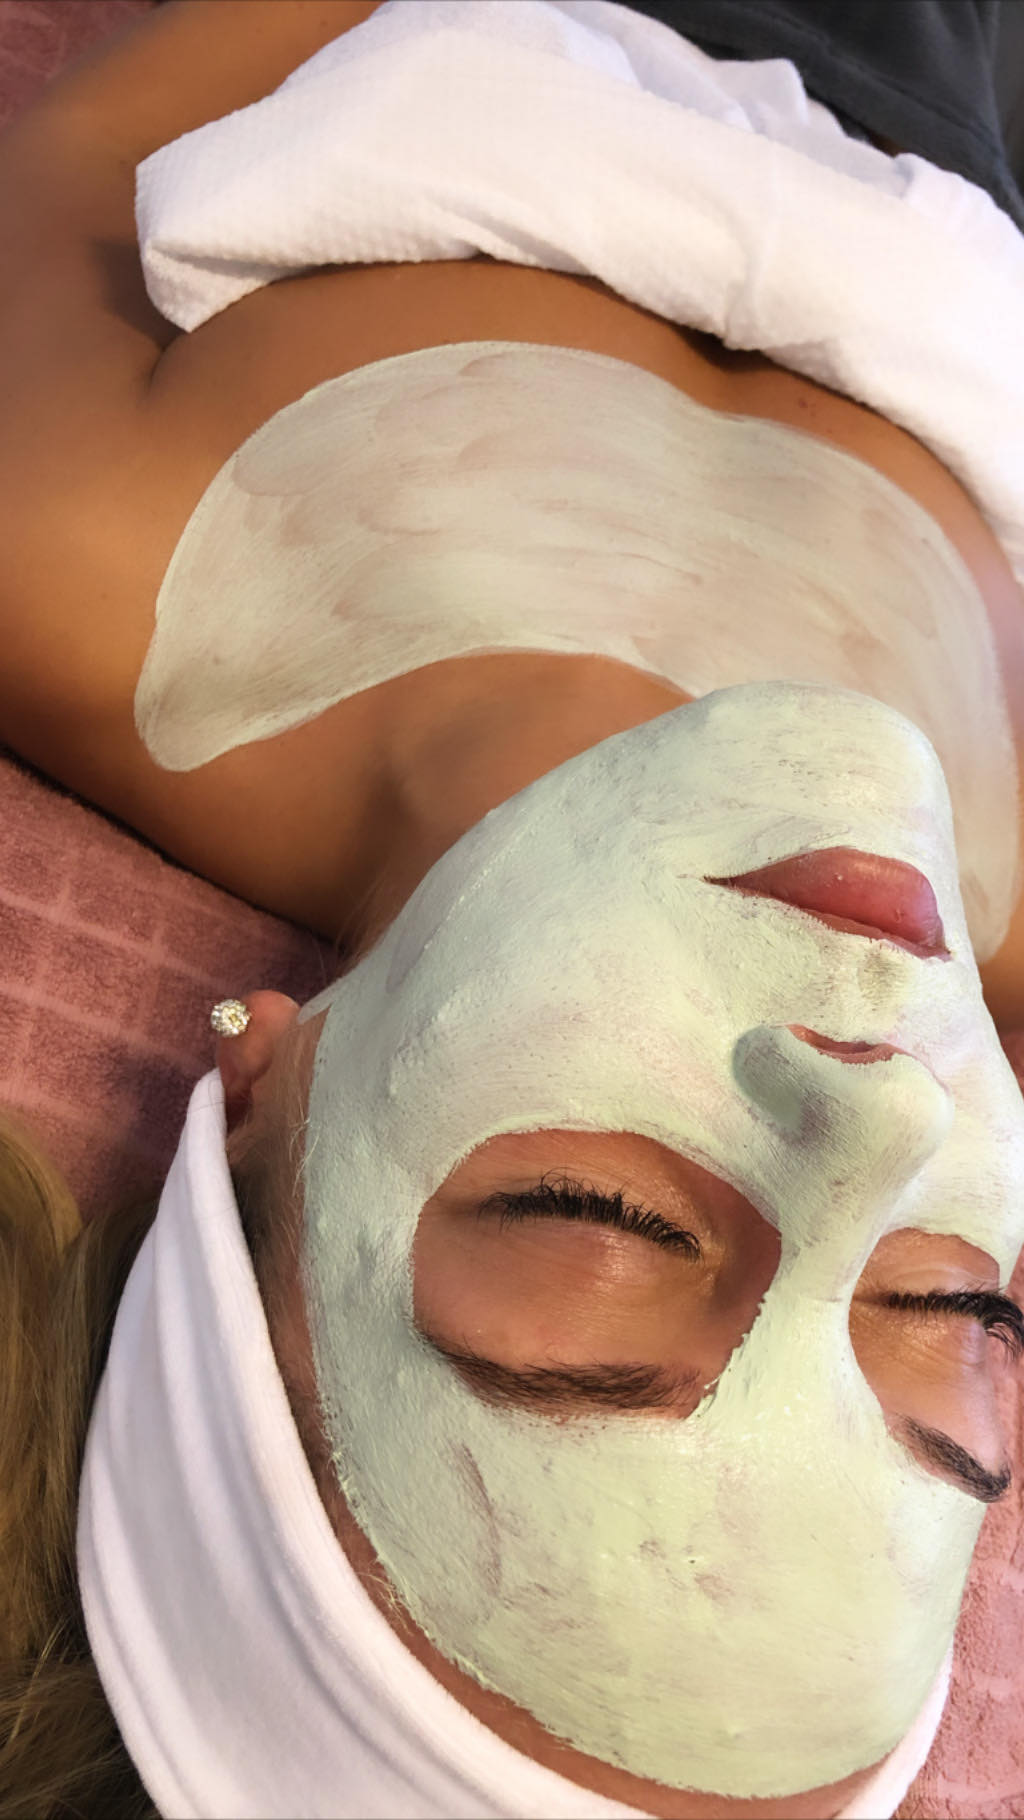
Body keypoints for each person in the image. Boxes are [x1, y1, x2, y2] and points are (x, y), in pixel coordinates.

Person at [2, 4, 1024, 1818]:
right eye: (952, 1315)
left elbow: (86, 156)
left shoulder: (88, 567)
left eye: (604, 1223)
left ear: (259, 1095)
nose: (882, 1122)